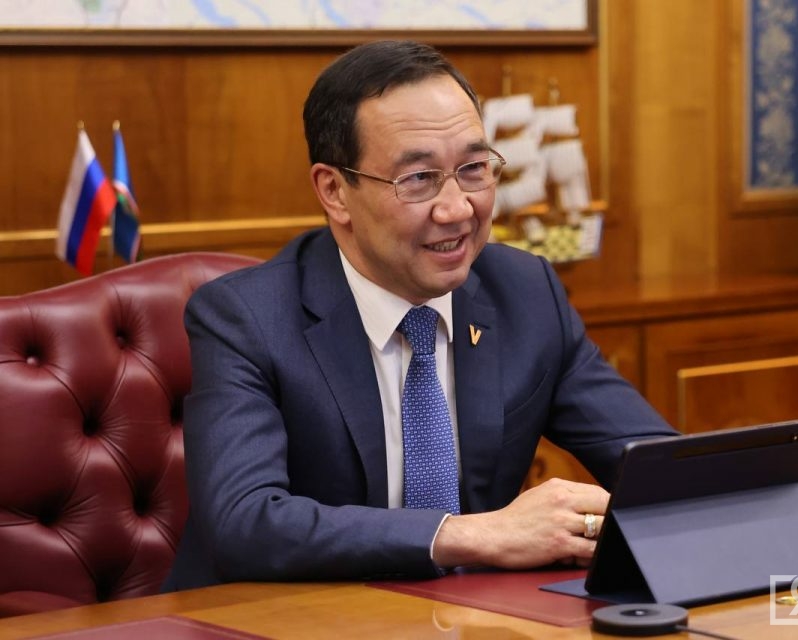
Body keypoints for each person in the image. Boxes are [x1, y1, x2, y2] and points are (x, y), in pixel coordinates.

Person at [163, 40, 675, 591]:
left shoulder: (525, 293)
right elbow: (244, 523)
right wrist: (470, 535)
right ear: (335, 191)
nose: (458, 208)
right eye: (418, 179)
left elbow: (660, 469)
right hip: (281, 617)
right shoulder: (246, 319)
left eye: (473, 168)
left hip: (473, 617)